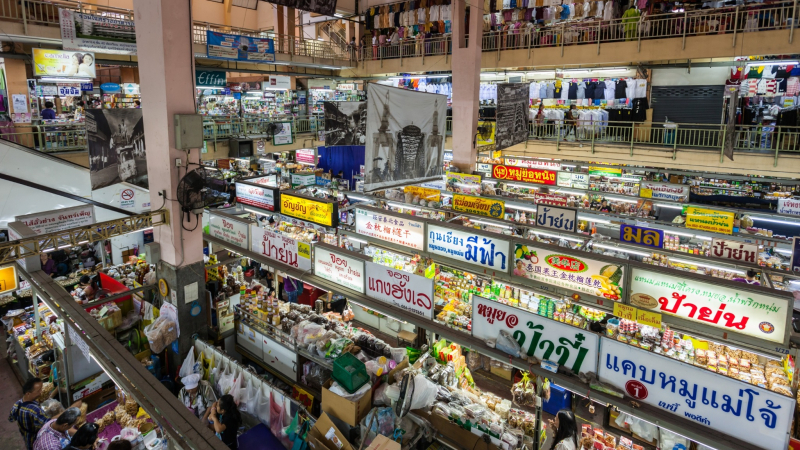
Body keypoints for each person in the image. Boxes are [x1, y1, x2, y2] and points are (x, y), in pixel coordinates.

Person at [9, 378, 49, 450]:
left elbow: (11, 418)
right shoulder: (34, 410)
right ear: (28, 393)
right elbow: (49, 423)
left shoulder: (17, 404)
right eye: (38, 390)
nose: (41, 392)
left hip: (26, 436)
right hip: (36, 438)